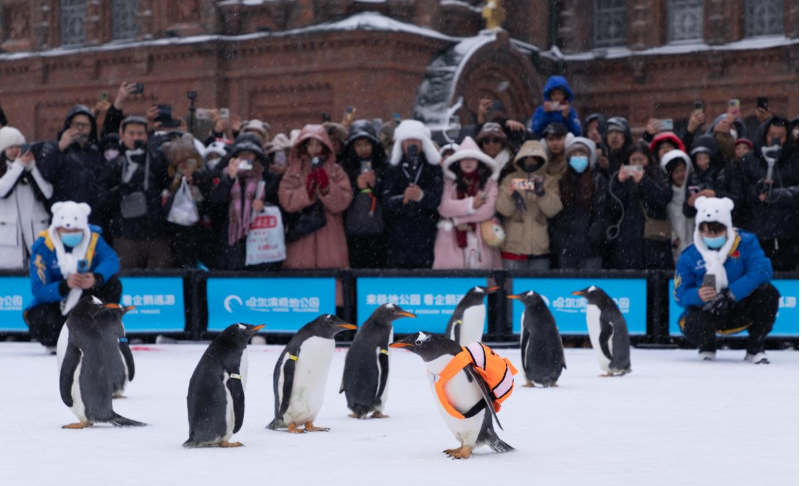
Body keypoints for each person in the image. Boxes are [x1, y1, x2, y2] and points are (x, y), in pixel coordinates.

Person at [673, 196, 778, 363]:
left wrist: (731, 294)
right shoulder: (689, 255)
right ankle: (707, 345)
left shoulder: (745, 242)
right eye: (706, 231)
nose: (712, 236)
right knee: (692, 322)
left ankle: (755, 347)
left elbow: (762, 270)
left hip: (741, 305)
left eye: (717, 231)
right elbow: (679, 294)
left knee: (769, 293)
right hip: (708, 311)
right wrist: (699, 295)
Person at [24, 201, 121, 353]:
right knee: (39, 317)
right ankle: (57, 341)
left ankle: (100, 334)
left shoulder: (93, 239)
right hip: (57, 302)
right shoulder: (43, 247)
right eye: (67, 231)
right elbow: (39, 289)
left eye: (76, 230)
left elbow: (111, 260)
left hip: (86, 296)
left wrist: (96, 278)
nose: (72, 234)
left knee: (113, 284)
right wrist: (64, 286)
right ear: (57, 228)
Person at [279, 125, 352, 284]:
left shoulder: (336, 170)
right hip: (302, 235)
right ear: (303, 147)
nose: (314, 149)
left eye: (318, 144)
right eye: (310, 144)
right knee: (303, 291)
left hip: (330, 233)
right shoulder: (293, 171)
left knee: (331, 281)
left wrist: (327, 188)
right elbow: (286, 200)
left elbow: (344, 201)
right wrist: (306, 191)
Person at [98, 116, 171, 269]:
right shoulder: (113, 165)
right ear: (122, 135)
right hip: (125, 236)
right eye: (131, 133)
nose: (136, 138)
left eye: (140, 134)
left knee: (162, 282)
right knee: (127, 284)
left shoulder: (157, 160)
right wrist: (122, 188)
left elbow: (169, 187)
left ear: (147, 135)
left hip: (156, 234)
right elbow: (102, 200)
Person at [378, 120, 443, 269]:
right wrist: (403, 199)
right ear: (401, 143)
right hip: (397, 237)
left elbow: (438, 199)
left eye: (416, 140)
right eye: (408, 140)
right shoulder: (392, 168)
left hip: (426, 235)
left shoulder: (433, 168)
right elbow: (385, 200)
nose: (412, 144)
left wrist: (421, 196)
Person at [740, 116, 798, 271]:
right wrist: (757, 191)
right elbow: (740, 192)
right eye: (772, 134)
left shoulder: (795, 159)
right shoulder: (749, 160)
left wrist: (778, 194)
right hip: (758, 232)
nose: (776, 139)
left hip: (789, 234)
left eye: (781, 136)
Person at [433, 137, 501, 269]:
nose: (468, 162)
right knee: (452, 283)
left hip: (482, 238)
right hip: (451, 241)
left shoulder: (489, 182)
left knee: (483, 283)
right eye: (464, 158)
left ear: (479, 161)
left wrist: (457, 219)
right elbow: (444, 207)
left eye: (472, 158)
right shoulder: (449, 181)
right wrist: (471, 204)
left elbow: (488, 210)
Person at [495, 140, 562, 271]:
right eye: (526, 159)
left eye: (534, 159)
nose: (530, 162)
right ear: (520, 160)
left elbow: (553, 210)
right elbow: (504, 210)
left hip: (539, 248)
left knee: (537, 290)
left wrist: (542, 193)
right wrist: (510, 194)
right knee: (512, 289)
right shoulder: (510, 179)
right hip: (513, 248)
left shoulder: (549, 181)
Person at [608, 141, 673, 270]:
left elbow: (662, 200)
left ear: (648, 159)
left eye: (641, 159)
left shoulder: (659, 176)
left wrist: (644, 181)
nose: (637, 163)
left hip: (654, 241)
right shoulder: (621, 180)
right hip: (628, 241)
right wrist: (619, 183)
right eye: (634, 160)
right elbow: (614, 208)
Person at [37, 105, 106, 225]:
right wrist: (60, 147)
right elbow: (46, 174)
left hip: (91, 216)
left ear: (91, 128)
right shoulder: (56, 148)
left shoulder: (96, 152)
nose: (80, 128)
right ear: (68, 126)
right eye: (76, 124)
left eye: (85, 125)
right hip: (64, 217)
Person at [210, 137, 272, 270]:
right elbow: (214, 202)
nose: (246, 157)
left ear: (257, 155)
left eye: (249, 153)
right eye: (242, 154)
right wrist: (229, 179)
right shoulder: (224, 174)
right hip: (231, 239)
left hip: (259, 236)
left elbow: (278, 205)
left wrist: (264, 206)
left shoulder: (266, 176)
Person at [0, 126, 53, 269]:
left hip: (35, 233)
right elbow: (2, 190)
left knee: (41, 273)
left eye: (18, 146)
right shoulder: (5, 172)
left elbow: (47, 193)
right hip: (9, 240)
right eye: (10, 147)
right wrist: (18, 166)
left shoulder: (32, 169)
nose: (14, 150)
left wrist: (32, 168)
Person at [551, 137, 607, 270]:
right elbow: (556, 215)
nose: (578, 157)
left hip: (590, 248)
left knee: (589, 287)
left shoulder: (597, 180)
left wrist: (594, 235)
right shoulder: (562, 181)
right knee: (568, 288)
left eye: (581, 154)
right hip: (566, 246)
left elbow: (601, 211)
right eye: (574, 154)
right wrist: (559, 239)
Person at [339, 120, 388, 268]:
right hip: (352, 234)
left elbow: (390, 197)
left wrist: (376, 185)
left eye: (367, 144)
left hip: (380, 234)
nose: (364, 149)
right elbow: (339, 201)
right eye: (358, 145)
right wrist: (355, 187)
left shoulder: (384, 165)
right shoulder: (343, 168)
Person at [659, 149, 694, 263]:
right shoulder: (666, 193)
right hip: (676, 245)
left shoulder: (693, 190)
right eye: (676, 172)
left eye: (683, 170)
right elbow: (664, 219)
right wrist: (673, 238)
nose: (680, 175)